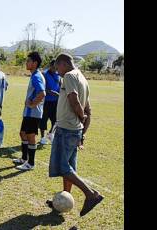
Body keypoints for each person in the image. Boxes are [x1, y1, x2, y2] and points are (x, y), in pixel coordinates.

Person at [47, 53, 102, 217]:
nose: (57, 72)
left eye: (58, 68)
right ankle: (65, 197)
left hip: (66, 129)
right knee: (69, 167)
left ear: (63, 64)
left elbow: (74, 100)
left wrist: (80, 118)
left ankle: (91, 195)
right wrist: (83, 129)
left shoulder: (69, 76)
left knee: (63, 167)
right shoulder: (82, 78)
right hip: (74, 129)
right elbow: (88, 108)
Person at [12, 52, 46, 171]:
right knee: (22, 133)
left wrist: (32, 105)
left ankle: (30, 163)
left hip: (33, 113)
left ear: (35, 63)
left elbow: (42, 93)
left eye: (28, 61)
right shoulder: (34, 75)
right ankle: (24, 158)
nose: (26, 63)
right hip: (28, 113)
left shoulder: (37, 76)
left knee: (30, 136)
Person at [39, 60, 61, 145]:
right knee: (43, 120)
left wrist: (59, 94)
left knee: (55, 120)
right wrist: (51, 92)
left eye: (57, 66)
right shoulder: (44, 74)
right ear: (50, 66)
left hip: (55, 101)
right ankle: (42, 137)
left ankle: (50, 134)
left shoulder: (58, 75)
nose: (55, 68)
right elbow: (42, 88)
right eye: (54, 66)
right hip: (45, 101)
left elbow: (59, 86)